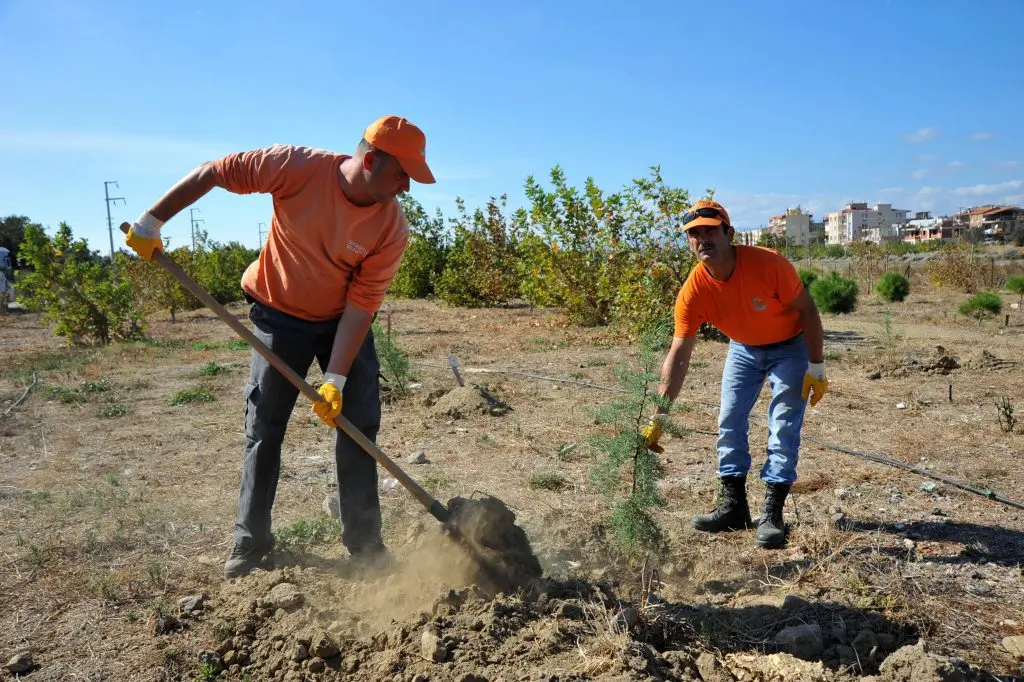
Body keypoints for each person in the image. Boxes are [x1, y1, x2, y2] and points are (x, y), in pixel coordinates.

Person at [124, 115, 435, 578]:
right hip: (278, 313)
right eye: (400, 175)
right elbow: (215, 171)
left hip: (340, 323)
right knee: (265, 425)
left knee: (358, 424)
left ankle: (366, 548)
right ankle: (251, 544)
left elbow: (361, 305)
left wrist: (335, 379)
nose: (406, 188)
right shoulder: (295, 167)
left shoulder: (391, 228)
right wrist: (152, 221)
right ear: (369, 160)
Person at [641, 200, 828, 549]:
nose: (702, 239)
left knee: (783, 424)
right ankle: (734, 507)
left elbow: (808, 310)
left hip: (790, 346)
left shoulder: (768, 264)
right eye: (694, 234)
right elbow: (679, 353)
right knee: (729, 419)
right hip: (743, 348)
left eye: (710, 230)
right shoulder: (694, 290)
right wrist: (659, 415)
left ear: (729, 232)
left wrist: (816, 367)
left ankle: (773, 513)